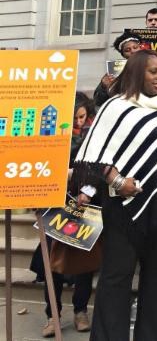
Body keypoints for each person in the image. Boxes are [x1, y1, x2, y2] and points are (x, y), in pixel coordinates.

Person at [73, 50, 157, 341]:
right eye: (153, 71)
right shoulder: (115, 107)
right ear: (135, 72)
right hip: (122, 208)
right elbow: (96, 154)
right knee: (116, 278)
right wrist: (118, 181)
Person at [39, 94, 97, 338]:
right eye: (74, 118)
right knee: (51, 262)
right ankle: (53, 314)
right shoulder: (51, 132)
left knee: (83, 261)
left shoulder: (95, 132)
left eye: (82, 117)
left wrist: (88, 189)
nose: (78, 122)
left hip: (84, 204)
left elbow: (101, 166)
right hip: (55, 203)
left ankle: (81, 310)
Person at [93, 32, 142, 107]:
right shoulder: (115, 71)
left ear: (140, 48)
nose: (132, 51)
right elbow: (98, 101)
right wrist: (103, 87)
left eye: (135, 47)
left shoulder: (153, 65)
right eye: (127, 50)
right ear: (123, 55)